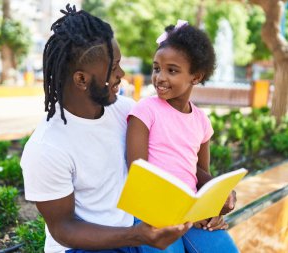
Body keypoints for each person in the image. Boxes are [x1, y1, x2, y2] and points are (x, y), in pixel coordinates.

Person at [20, 5, 192, 253]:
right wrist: (136, 236)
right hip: (83, 247)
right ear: (82, 79)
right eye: (113, 69)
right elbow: (64, 229)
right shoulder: (46, 147)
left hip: (132, 230)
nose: (122, 74)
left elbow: (170, 157)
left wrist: (207, 203)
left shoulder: (126, 111)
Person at [126, 20, 239, 253]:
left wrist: (218, 201)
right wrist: (180, 215)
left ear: (196, 76)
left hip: (190, 213)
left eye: (172, 70)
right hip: (152, 212)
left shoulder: (201, 121)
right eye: (157, 68)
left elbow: (201, 174)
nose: (160, 77)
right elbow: (139, 175)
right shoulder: (145, 111)